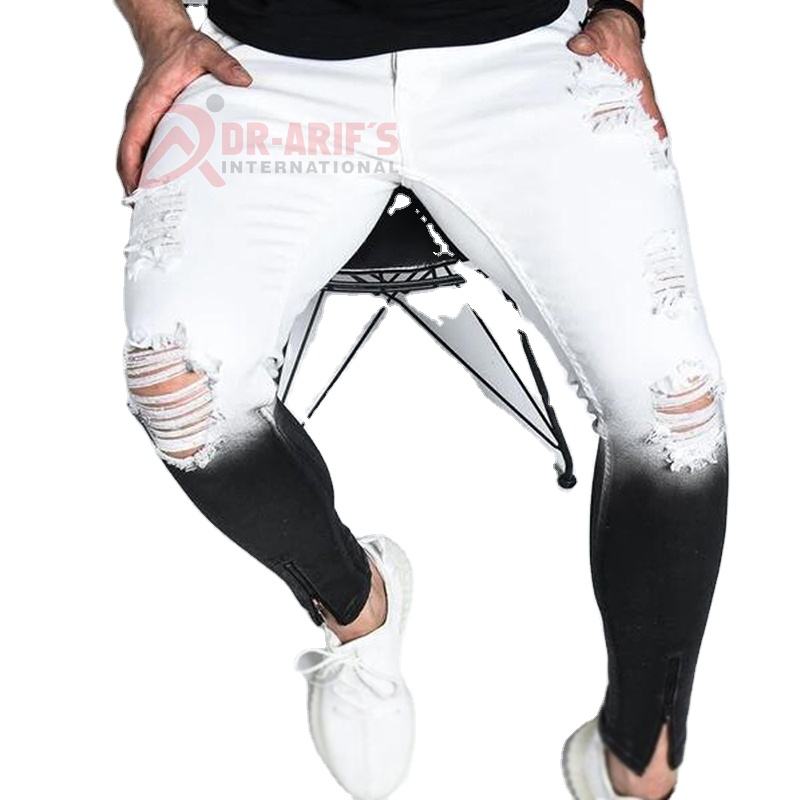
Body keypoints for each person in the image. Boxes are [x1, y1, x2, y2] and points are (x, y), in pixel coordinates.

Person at [114, 0, 728, 797]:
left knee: (676, 408)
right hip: (271, 63)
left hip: (528, 53)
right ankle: (357, 607)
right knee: (176, 387)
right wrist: (163, 30)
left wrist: (623, 12)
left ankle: (641, 752)